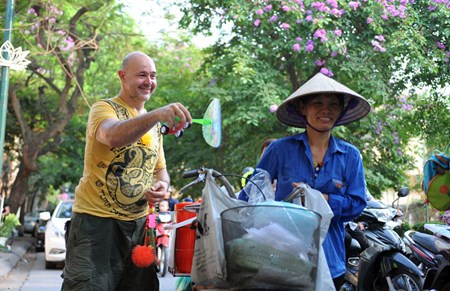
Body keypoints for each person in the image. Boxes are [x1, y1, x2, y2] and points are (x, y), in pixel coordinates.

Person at [62, 51, 192, 291]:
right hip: (95, 224)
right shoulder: (103, 109)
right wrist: (156, 115)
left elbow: (160, 171)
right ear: (122, 76)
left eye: (153, 76)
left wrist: (162, 186)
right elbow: (112, 135)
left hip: (139, 228)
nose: (149, 81)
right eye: (142, 75)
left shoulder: (153, 127)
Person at [238, 72, 371, 290]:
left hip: (330, 260)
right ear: (303, 108)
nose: (325, 109)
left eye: (333, 104)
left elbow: (357, 203)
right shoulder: (280, 149)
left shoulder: (350, 155)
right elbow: (251, 195)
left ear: (340, 111)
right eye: (317, 102)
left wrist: (323, 199)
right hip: (280, 257)